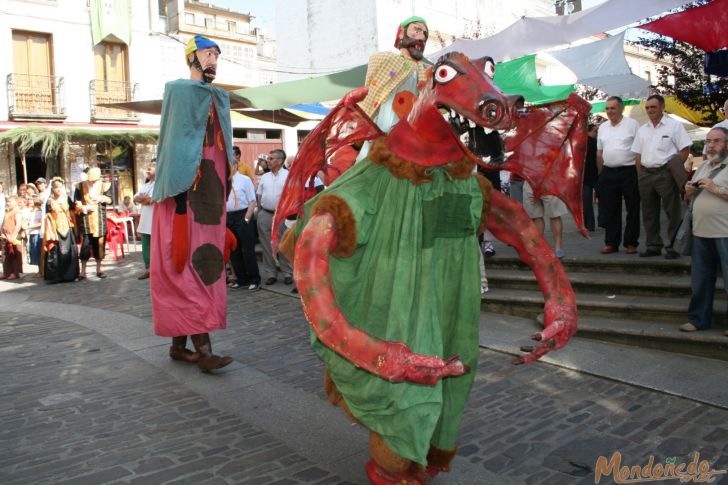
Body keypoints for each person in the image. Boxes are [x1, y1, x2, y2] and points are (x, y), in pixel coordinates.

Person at [150, 34, 234, 372]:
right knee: (185, 271)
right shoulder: (179, 91)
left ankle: (178, 348)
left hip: (210, 197)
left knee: (197, 268)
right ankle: (204, 351)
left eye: (216, 54)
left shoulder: (220, 97)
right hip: (182, 197)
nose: (213, 59)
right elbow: (175, 143)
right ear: (192, 57)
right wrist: (180, 192)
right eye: (207, 53)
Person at [356, 16, 429, 161]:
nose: (422, 37)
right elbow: (371, 91)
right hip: (379, 141)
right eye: (417, 29)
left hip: (408, 145)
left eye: (425, 35)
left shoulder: (427, 72)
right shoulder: (384, 59)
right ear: (401, 33)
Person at [631, 94, 692, 259]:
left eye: (653, 107)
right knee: (649, 212)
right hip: (646, 174)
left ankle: (674, 245)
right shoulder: (642, 129)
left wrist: (675, 166)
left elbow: (684, 150)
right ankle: (653, 245)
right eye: (648, 107)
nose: (650, 110)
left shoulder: (674, 126)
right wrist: (640, 174)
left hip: (665, 173)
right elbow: (637, 154)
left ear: (662, 107)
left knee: (672, 211)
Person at [679, 127, 728, 333]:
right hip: (701, 232)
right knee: (700, 280)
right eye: (709, 140)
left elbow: (717, 191)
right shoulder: (704, 166)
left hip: (724, 232)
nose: (711, 144)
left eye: (717, 141)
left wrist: (715, 188)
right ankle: (698, 319)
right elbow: (688, 199)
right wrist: (688, 192)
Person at [596, 96, 641, 254]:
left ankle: (631, 242)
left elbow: (638, 150)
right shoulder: (602, 127)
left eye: (613, 108)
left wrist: (639, 173)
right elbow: (599, 152)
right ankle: (611, 243)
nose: (609, 111)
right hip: (608, 171)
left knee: (633, 207)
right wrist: (600, 175)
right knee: (610, 208)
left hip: (628, 171)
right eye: (607, 108)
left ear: (621, 108)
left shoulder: (632, 124)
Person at [256, 148, 293, 286]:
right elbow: (259, 196)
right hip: (265, 214)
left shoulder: (288, 176)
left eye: (271, 159)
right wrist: (260, 212)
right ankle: (271, 273)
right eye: (269, 159)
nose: (268, 161)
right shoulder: (265, 177)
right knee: (266, 245)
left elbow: (292, 196)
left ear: (280, 161)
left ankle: (287, 272)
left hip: (282, 215)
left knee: (283, 244)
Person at [226, 155, 260, 290]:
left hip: (243, 215)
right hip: (229, 217)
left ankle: (254, 279)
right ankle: (241, 278)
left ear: (235, 165)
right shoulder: (224, 181)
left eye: (228, 165)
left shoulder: (245, 180)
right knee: (234, 249)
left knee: (248, 249)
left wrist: (246, 219)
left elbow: (252, 201)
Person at [74, 166, 111, 278]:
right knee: (85, 246)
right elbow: (76, 203)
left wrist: (102, 198)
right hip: (86, 220)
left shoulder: (104, 186)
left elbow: (110, 200)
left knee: (99, 245)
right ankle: (83, 271)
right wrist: (84, 208)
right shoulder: (80, 186)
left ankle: (99, 269)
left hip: (99, 219)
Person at [42, 178, 79, 283]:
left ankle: (71, 275)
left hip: (67, 227)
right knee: (56, 252)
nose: (58, 189)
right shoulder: (49, 201)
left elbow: (73, 212)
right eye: (56, 187)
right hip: (55, 228)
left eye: (60, 187)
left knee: (70, 252)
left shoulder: (67, 198)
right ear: (53, 189)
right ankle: (56, 276)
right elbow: (47, 216)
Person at [523, 183, 567, 258]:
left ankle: (558, 248)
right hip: (530, 181)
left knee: (555, 215)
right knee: (535, 216)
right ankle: (539, 247)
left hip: (549, 180)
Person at [133, 161, 156, 280]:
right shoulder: (146, 185)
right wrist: (144, 199)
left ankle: (157, 270)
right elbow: (135, 198)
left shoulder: (159, 184)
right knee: (146, 246)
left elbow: (152, 200)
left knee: (156, 247)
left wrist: (143, 199)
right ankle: (148, 269)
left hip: (155, 220)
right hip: (145, 219)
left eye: (149, 168)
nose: (147, 171)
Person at [0, 195, 23, 280]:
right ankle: (7, 272)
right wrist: (2, 233)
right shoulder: (7, 212)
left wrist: (13, 236)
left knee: (14, 255)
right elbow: (3, 224)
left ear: (16, 203)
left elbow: (18, 224)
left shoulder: (17, 212)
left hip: (14, 237)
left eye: (10, 202)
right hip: (5, 237)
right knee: (5, 255)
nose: (8, 203)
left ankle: (15, 273)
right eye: (7, 202)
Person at [583, 123, 598, 232]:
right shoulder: (595, 142)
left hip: (586, 176)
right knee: (604, 199)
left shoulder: (582, 143)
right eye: (595, 131)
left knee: (586, 202)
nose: (596, 134)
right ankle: (603, 221)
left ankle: (589, 224)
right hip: (597, 173)